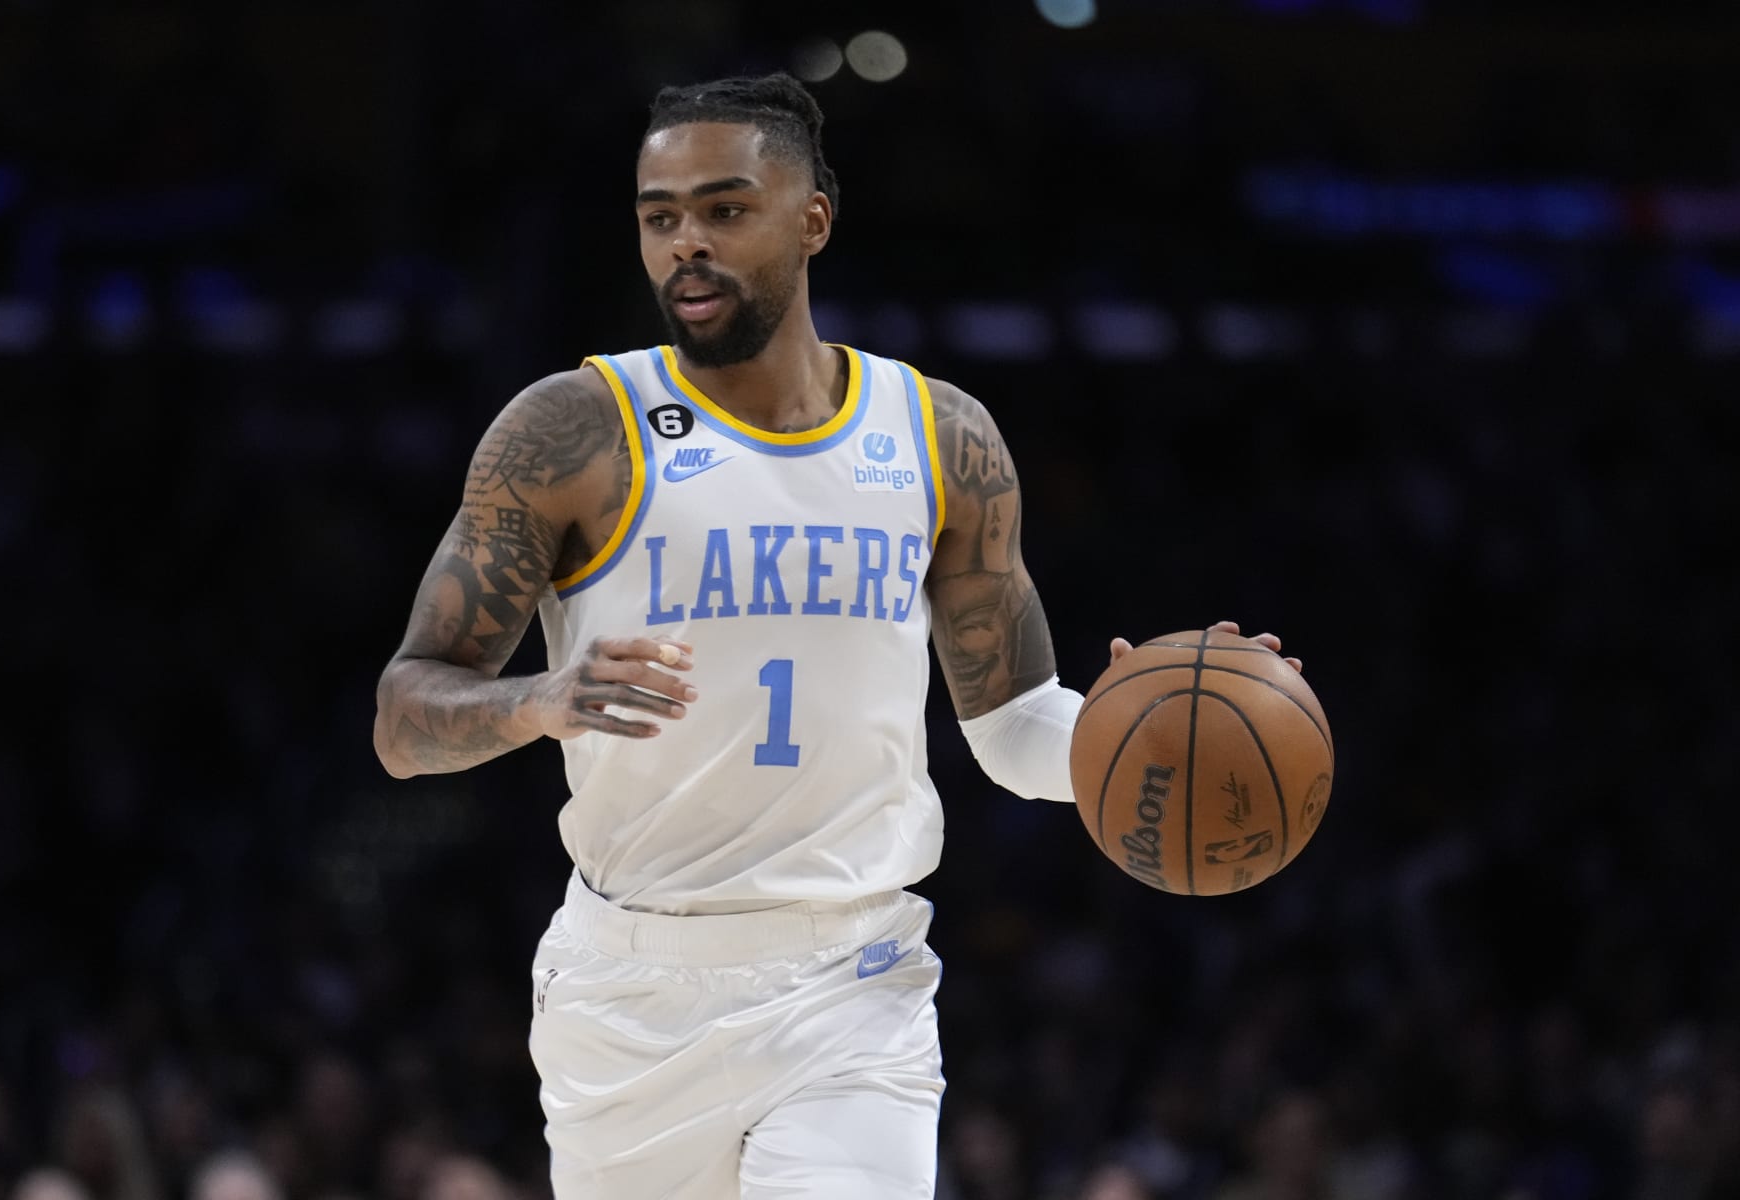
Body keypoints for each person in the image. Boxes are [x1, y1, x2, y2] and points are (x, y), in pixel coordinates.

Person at [372, 71, 1299, 1200]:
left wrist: (1134, 733)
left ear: (813, 218)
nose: (685, 245)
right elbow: (405, 719)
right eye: (659, 216)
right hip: (627, 996)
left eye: (724, 209)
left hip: (852, 982)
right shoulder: (572, 430)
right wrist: (541, 700)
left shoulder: (941, 438)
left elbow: (1009, 728)